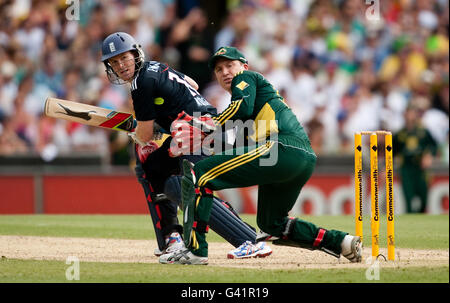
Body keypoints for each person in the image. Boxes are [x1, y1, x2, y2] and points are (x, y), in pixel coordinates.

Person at [164, 46, 363, 265]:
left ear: (244, 66)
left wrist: (206, 124)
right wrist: (198, 140)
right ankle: (342, 242)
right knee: (272, 225)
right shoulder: (249, 106)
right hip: (300, 158)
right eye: (219, 69)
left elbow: (241, 108)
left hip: (281, 148)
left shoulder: (247, 78)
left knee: (197, 175)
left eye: (230, 65)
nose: (225, 72)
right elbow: (233, 145)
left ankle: (195, 251)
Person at [100, 32, 272, 261]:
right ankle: (171, 239)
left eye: (124, 58)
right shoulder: (156, 67)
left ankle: (248, 240)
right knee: (152, 169)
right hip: (204, 126)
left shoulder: (140, 83)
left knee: (179, 183)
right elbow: (192, 84)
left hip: (198, 132)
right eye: (114, 61)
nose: (120, 65)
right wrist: (167, 118)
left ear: (135, 54)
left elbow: (144, 134)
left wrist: (139, 135)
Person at [393, 106, 438, 213]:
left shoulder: (423, 132)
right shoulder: (399, 134)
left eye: (412, 113)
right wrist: (386, 168)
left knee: (424, 196)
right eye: (408, 113)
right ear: (404, 115)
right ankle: (410, 219)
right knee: (408, 196)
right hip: (406, 168)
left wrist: (429, 156)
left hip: (420, 168)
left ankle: (421, 217)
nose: (410, 117)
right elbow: (391, 152)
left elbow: (433, 146)